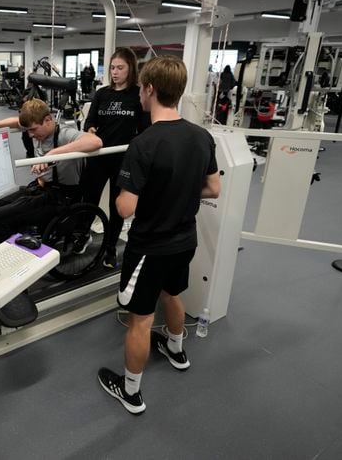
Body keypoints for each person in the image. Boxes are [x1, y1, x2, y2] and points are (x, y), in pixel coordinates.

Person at [97, 56, 221, 415]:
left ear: (150, 89)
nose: (138, 93)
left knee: (140, 319)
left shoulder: (143, 144)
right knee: (174, 294)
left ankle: (131, 391)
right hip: (185, 240)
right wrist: (178, 191)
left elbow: (124, 209)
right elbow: (213, 189)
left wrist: (137, 190)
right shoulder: (202, 136)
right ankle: (177, 350)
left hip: (150, 246)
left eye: (140, 88)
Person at [0, 99, 102, 248]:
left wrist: (52, 154)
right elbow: (16, 122)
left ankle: (3, 261)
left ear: (48, 120)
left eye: (33, 130)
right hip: (39, 188)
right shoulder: (36, 127)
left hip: (60, 198)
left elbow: (95, 141)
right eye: (28, 130)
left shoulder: (65, 134)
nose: (30, 135)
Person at [81, 47, 148, 269]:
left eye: (120, 68)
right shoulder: (102, 94)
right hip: (98, 157)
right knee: (89, 199)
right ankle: (82, 235)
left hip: (123, 160)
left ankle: (110, 247)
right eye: (112, 67)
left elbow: (145, 129)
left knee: (116, 206)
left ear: (131, 69)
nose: (115, 72)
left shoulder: (138, 96)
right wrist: (90, 130)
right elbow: (88, 122)